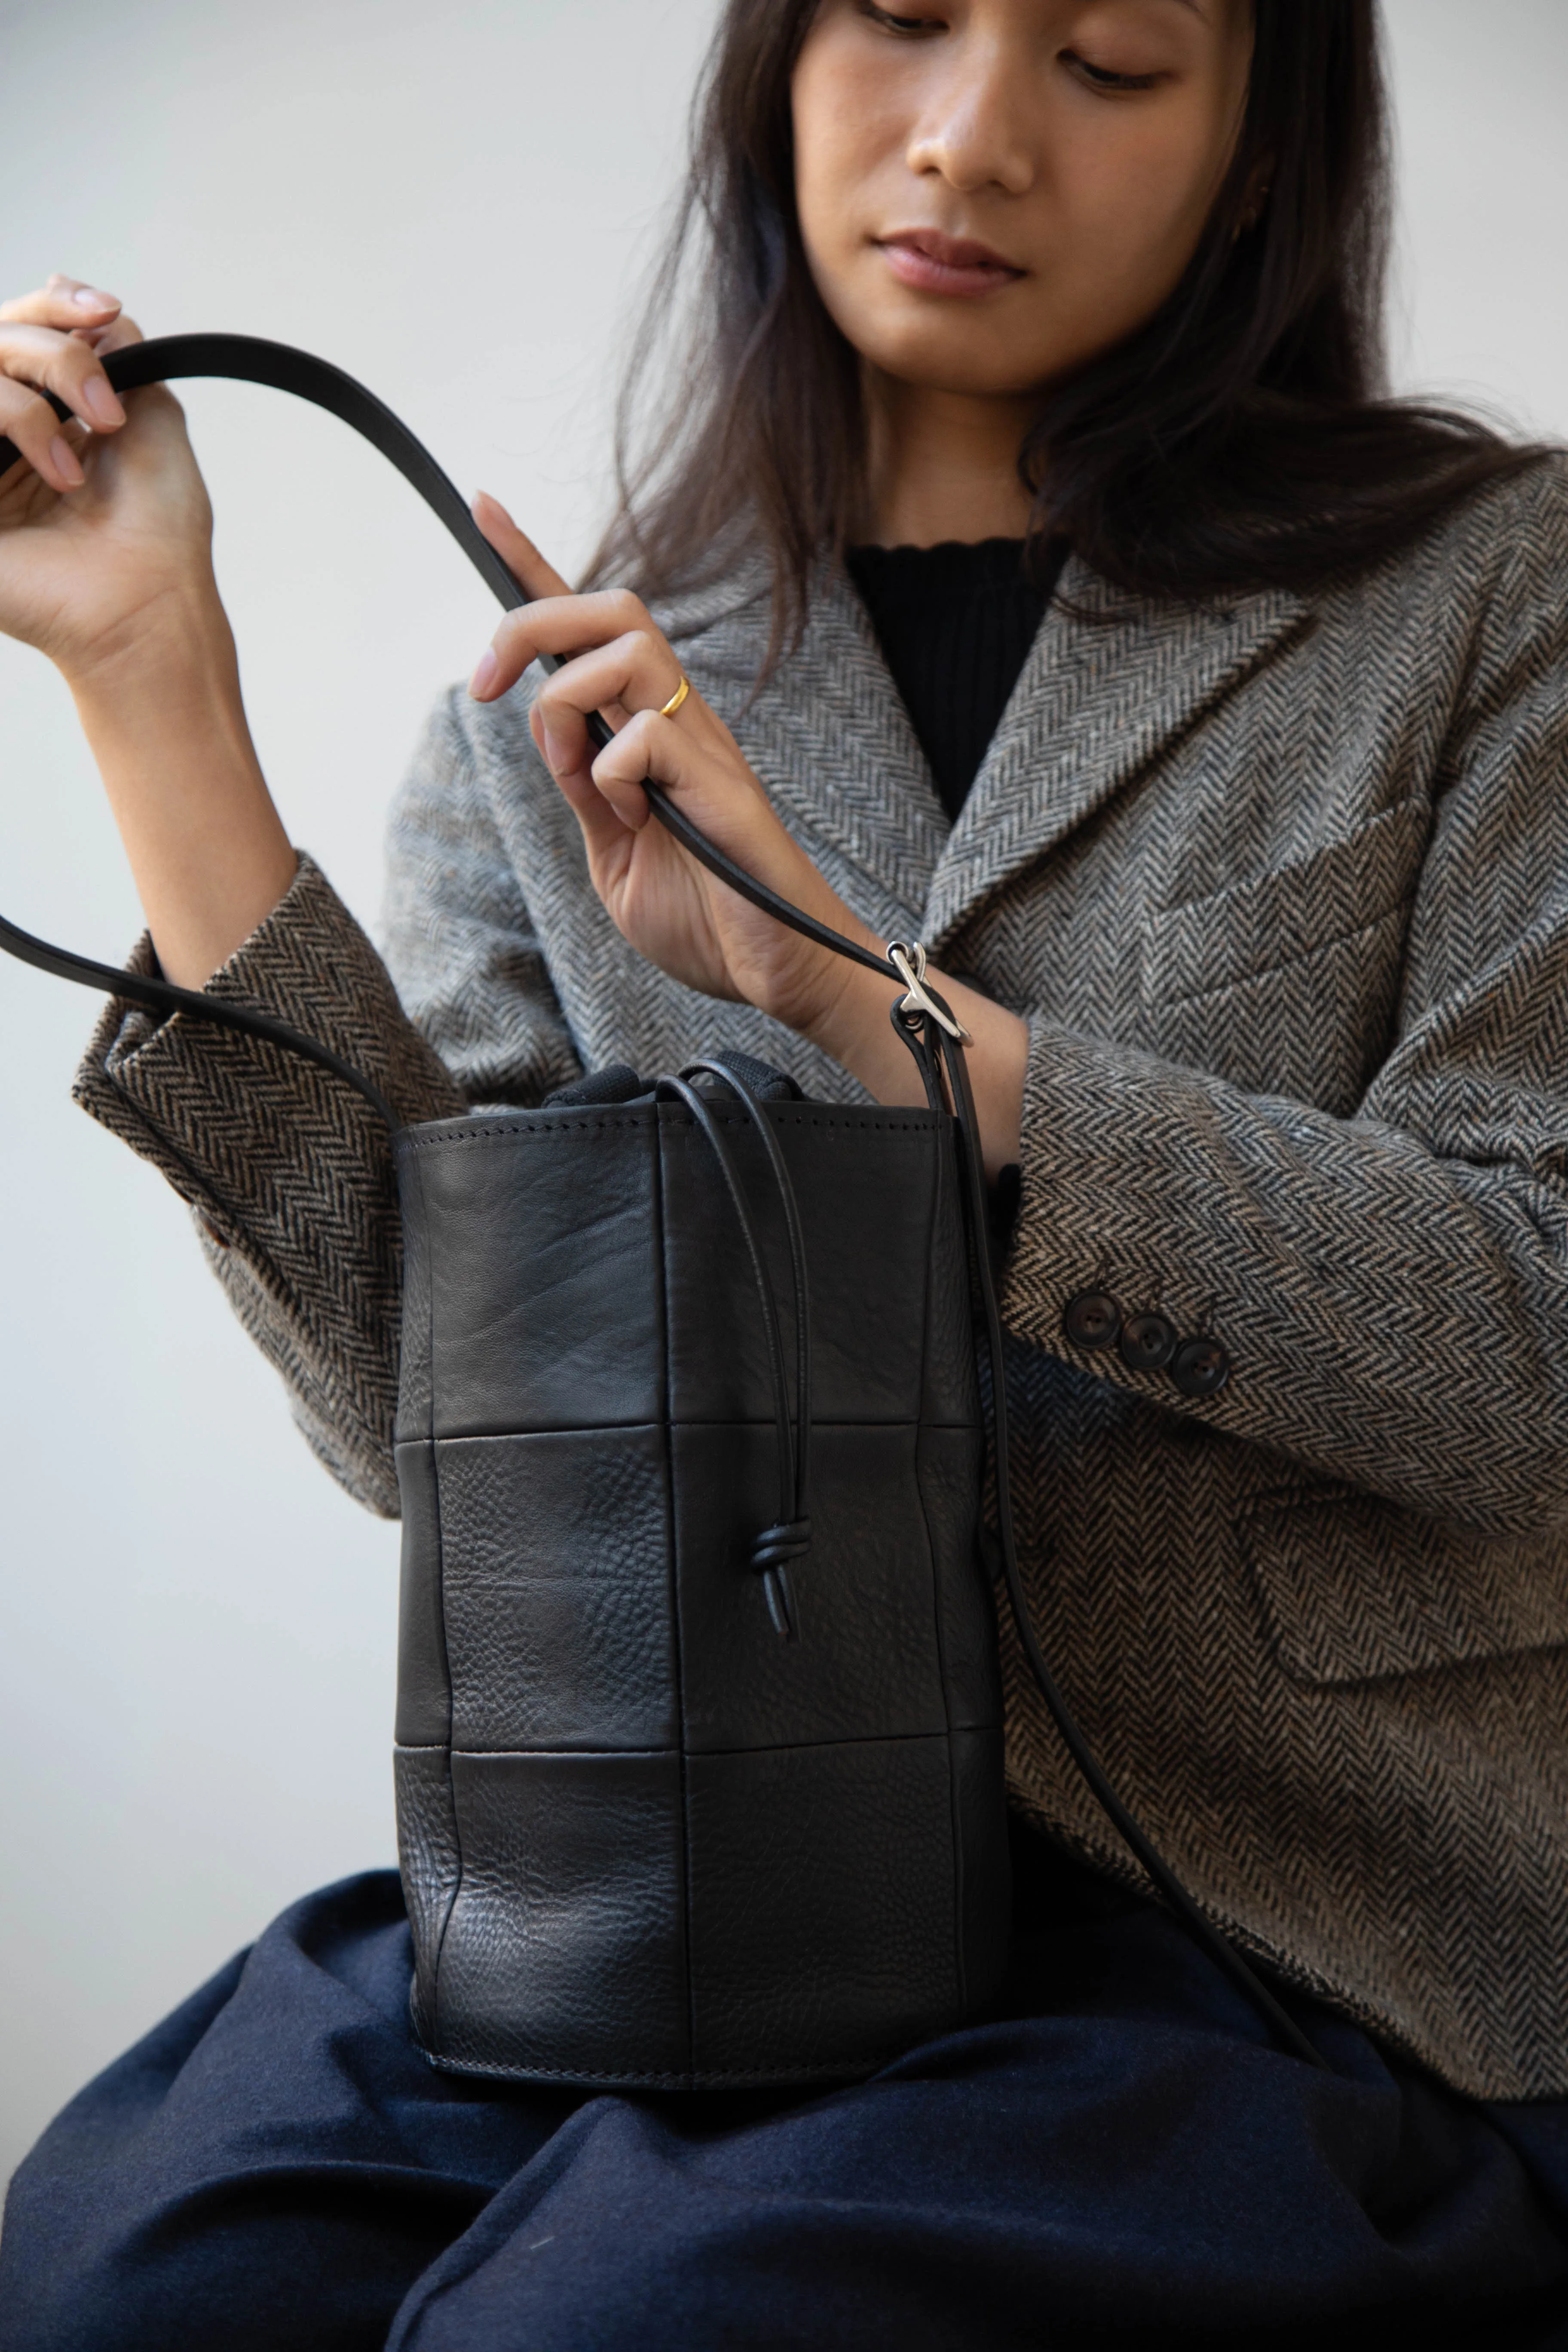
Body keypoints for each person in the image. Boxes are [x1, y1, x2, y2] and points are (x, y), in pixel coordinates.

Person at [3, 0, 1568, 2343]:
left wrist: (882, 1013)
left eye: (1113, 61)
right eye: (902, 21)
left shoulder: (1492, 592)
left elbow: (1530, 1329)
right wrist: (147, 681)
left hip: (1287, 1931)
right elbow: (432, 1433)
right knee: (127, 2268)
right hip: (670, 1884)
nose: (970, 138)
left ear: (1261, 144)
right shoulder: (570, 690)